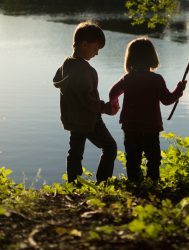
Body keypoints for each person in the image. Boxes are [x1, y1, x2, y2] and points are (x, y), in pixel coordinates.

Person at [109, 37, 186, 185]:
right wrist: (179, 90)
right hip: (150, 127)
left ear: (130, 58)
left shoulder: (127, 79)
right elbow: (167, 100)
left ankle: (134, 184)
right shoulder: (156, 79)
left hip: (130, 126)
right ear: (152, 57)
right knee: (153, 159)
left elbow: (113, 93)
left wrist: (115, 106)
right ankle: (152, 184)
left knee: (132, 159)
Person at [53, 21, 118, 184]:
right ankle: (103, 183)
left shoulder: (66, 65)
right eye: (96, 49)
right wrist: (106, 108)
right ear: (84, 44)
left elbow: (59, 82)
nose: (96, 54)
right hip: (90, 120)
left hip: (74, 119)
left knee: (75, 152)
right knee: (110, 147)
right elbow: (87, 100)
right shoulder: (85, 70)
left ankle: (73, 184)